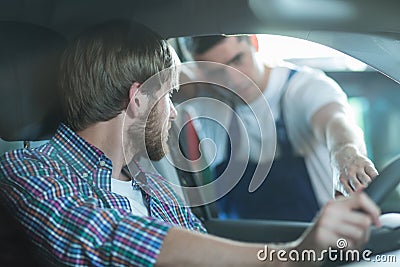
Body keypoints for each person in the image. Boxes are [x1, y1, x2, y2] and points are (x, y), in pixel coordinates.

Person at [0, 20, 381, 267]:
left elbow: (205, 248)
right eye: (169, 96)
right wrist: (293, 256)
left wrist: (316, 247)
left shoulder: (152, 185)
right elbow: (107, 236)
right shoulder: (28, 171)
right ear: (138, 99)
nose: (176, 113)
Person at [182, 35, 379, 221]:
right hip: (240, 249)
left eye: (238, 59)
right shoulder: (208, 99)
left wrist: (344, 151)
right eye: (217, 71)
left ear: (254, 42)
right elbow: (161, 82)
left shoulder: (303, 87)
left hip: (320, 244)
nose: (234, 80)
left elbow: (334, 120)